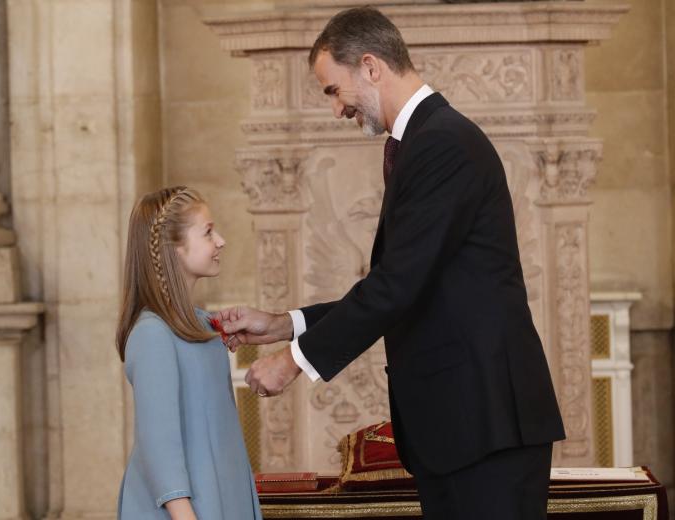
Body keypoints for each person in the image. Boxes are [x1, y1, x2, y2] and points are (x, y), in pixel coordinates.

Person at [217, 7, 565, 520]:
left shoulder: (443, 143)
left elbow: (397, 286)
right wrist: (281, 324)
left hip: (487, 424)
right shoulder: (426, 141)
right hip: (463, 427)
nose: (336, 110)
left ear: (371, 66)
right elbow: (406, 285)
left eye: (333, 90)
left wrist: (295, 359)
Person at [115, 187, 262, 520]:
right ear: (175, 249)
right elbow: (158, 447)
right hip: (188, 509)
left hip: (223, 496)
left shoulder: (203, 325)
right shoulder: (153, 334)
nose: (221, 241)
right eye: (208, 232)